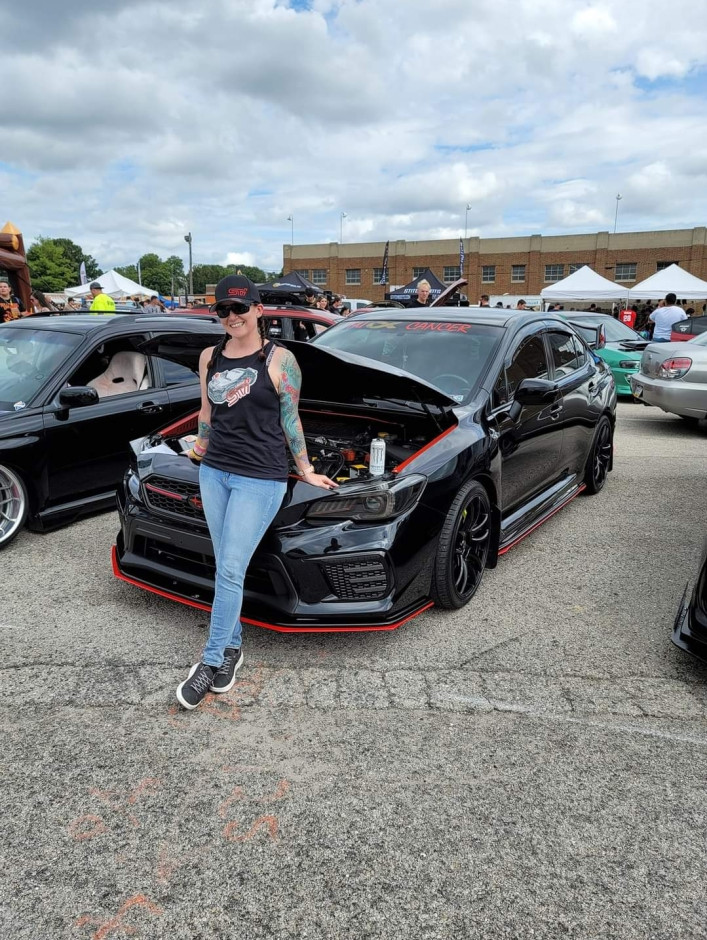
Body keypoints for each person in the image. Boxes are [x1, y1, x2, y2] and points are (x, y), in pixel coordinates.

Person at [176, 275, 338, 711]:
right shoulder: (210, 356)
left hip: (260, 477)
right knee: (225, 565)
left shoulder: (279, 359)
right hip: (215, 473)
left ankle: (210, 663)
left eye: (240, 309)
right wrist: (200, 447)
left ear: (258, 310)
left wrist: (305, 469)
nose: (232, 317)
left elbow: (292, 419)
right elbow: (208, 412)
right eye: (223, 311)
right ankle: (232, 649)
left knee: (230, 568)